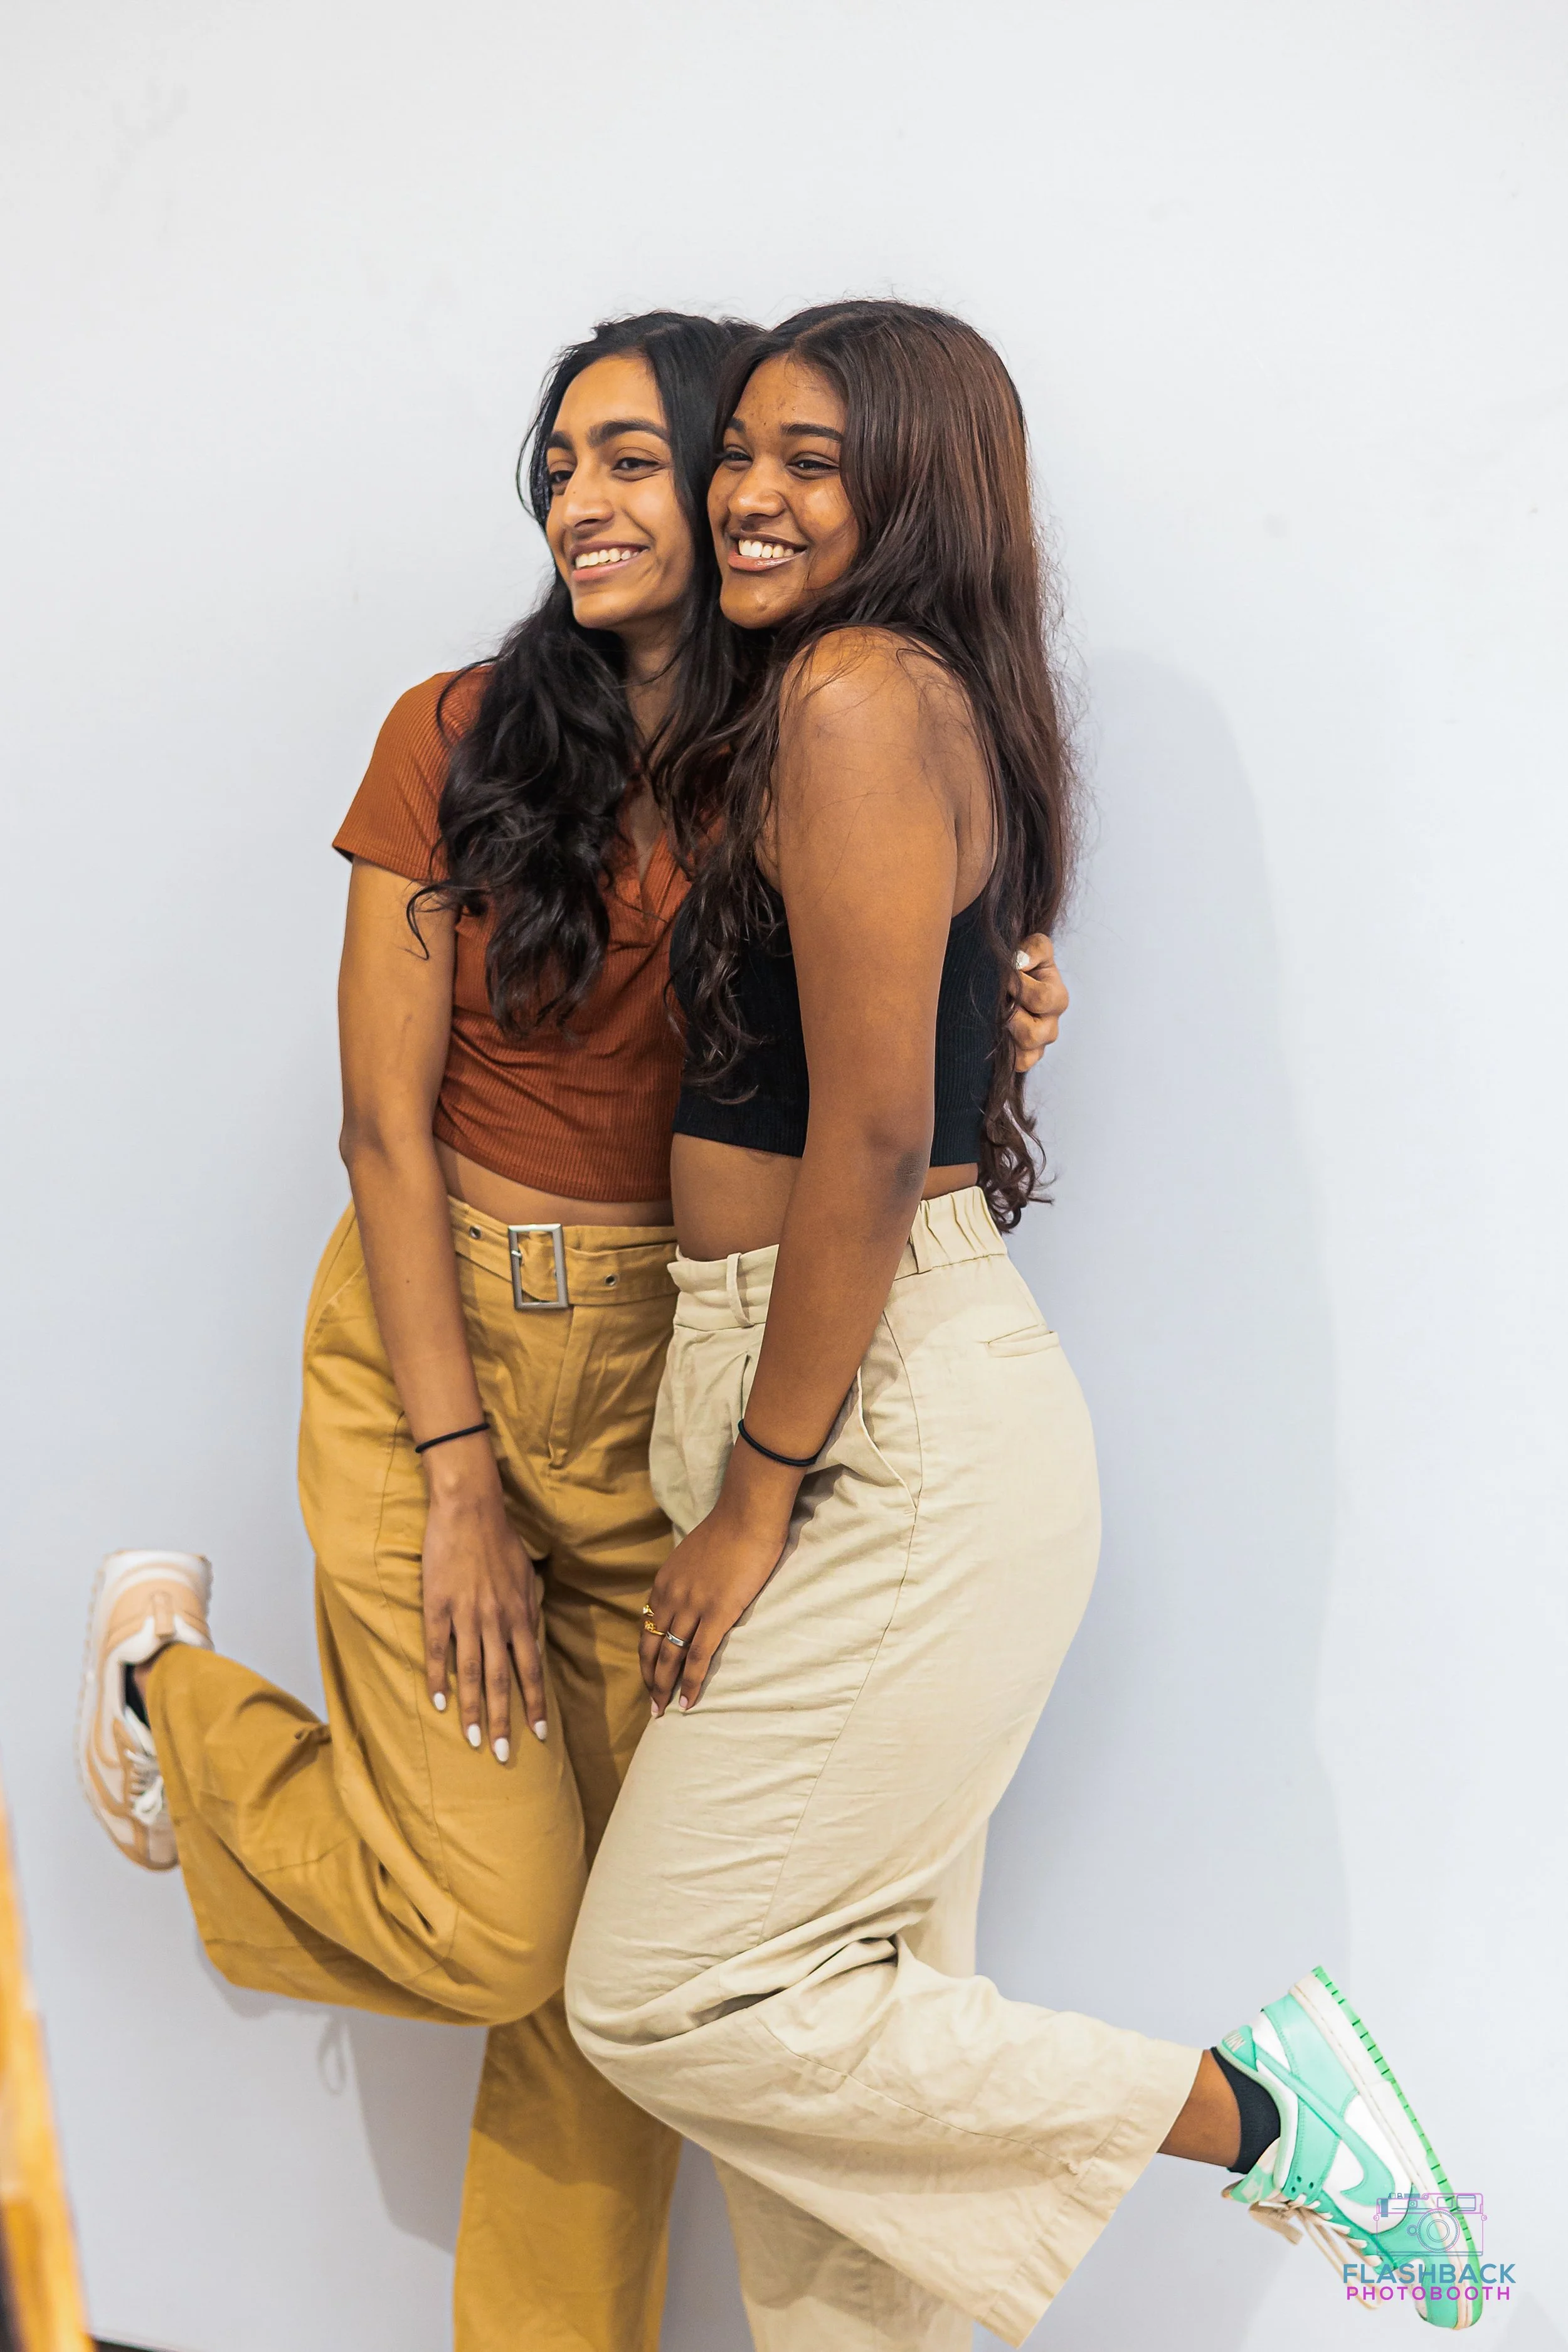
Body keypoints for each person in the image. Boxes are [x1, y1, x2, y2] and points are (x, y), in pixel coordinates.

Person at [75, 309, 1071, 2352]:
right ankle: (169, 1684)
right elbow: (377, 1120)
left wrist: (1013, 995)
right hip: (437, 1340)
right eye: (564, 463)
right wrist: (453, 1476)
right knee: (493, 1918)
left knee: (604, 1990)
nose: (595, 502)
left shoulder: (812, 733)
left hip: (687, 1373)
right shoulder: (449, 732)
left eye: (642, 458)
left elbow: (885, 1050)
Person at [564, 302, 1480, 2347]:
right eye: (749, 452)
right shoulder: (848, 697)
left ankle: (1269, 2113)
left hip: (868, 1420)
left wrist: (756, 1491)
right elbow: (908, 1052)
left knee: (667, 1988)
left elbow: (877, 1137)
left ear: (919, 490)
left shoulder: (861, 696)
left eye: (815, 461)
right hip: (839, 1379)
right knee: (843, 2102)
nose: (748, 493)